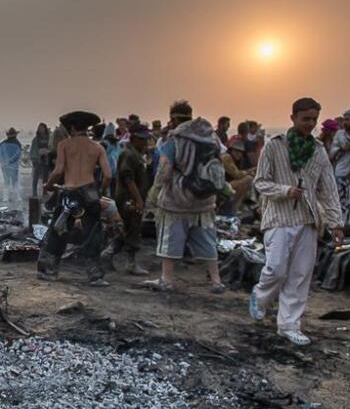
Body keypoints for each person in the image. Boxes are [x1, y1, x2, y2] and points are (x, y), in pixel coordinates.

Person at [250, 97, 343, 346]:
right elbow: (260, 182)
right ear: (293, 118)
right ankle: (260, 296)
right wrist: (284, 190)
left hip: (307, 219)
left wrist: (336, 223)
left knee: (300, 275)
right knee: (276, 268)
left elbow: (328, 190)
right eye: (305, 119)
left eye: (314, 119)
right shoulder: (274, 146)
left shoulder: (318, 151)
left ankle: (289, 325)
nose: (310, 124)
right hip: (278, 217)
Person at [143, 102, 225, 293]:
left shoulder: (175, 139)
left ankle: (167, 279)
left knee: (169, 240)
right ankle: (216, 281)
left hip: (177, 199)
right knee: (207, 241)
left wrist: (154, 193)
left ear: (173, 119)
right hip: (205, 200)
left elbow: (164, 170)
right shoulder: (211, 138)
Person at [38, 110, 111, 285]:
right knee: (92, 233)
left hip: (69, 193)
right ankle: (95, 276)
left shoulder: (64, 145)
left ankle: (49, 271)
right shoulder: (98, 147)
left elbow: (58, 171)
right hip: (90, 193)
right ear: (87, 128)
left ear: (71, 128)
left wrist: (48, 186)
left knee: (59, 231)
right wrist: (100, 191)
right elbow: (108, 175)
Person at [103, 124, 151, 275]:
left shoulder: (134, 154)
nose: (146, 143)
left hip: (129, 199)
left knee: (126, 229)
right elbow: (128, 178)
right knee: (132, 229)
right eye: (143, 140)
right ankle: (129, 263)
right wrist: (138, 199)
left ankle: (108, 255)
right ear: (135, 138)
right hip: (128, 200)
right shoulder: (129, 155)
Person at [221, 139, 255, 214]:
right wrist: (248, 172)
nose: (238, 154)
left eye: (240, 152)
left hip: (225, 185)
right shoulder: (226, 157)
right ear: (232, 150)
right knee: (248, 179)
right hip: (221, 187)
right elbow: (237, 175)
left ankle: (236, 207)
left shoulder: (235, 159)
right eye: (236, 151)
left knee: (248, 180)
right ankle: (233, 208)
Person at [0, 128, 23, 202]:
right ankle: (17, 197)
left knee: (6, 182)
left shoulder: (2, 144)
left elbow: (0, 154)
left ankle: (5, 198)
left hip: (4, 166)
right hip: (14, 166)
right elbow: (17, 155)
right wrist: (10, 161)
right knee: (14, 182)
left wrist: (3, 161)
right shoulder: (17, 144)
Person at [30, 123, 52, 198]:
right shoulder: (36, 139)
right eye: (40, 128)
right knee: (35, 177)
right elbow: (33, 150)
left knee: (45, 178)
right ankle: (34, 193)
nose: (41, 129)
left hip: (46, 159)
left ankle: (44, 193)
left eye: (42, 128)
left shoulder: (49, 138)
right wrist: (34, 159)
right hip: (38, 160)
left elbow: (51, 147)